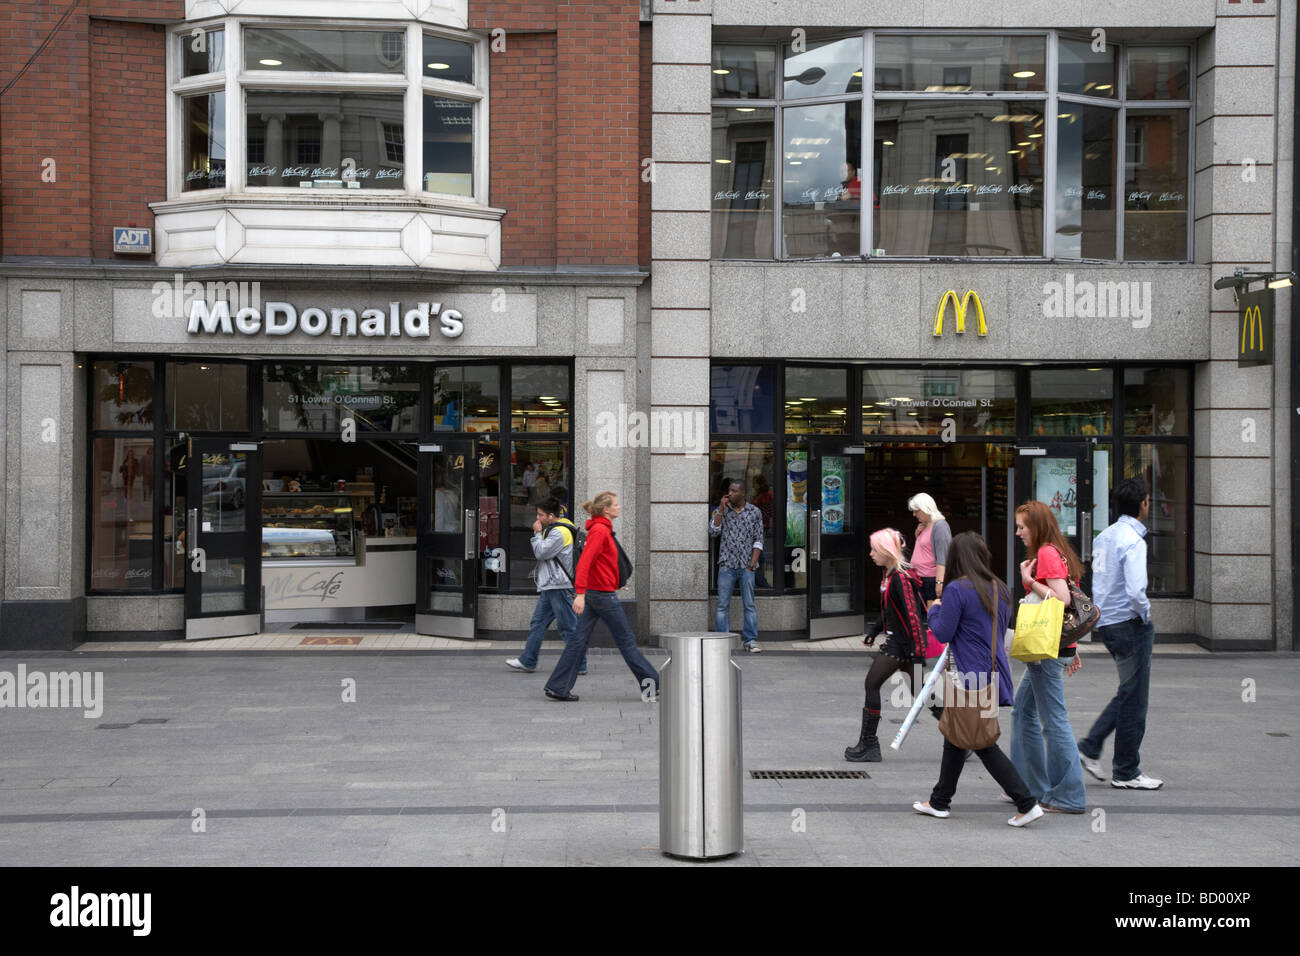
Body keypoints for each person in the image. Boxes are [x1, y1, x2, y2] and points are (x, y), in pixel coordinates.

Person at [912, 532, 1044, 827]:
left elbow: (944, 632)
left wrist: (934, 610)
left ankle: (1027, 802)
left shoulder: (958, 589)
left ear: (956, 559)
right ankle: (939, 801)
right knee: (957, 736)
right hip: (992, 672)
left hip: (967, 675)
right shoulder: (999, 587)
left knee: (982, 742)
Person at [1079, 478, 1163, 790]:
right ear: (1143, 504)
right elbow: (1136, 589)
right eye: (1149, 500)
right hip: (1129, 625)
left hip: (1108, 623)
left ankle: (1090, 746)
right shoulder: (1132, 541)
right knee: (1136, 700)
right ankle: (1127, 770)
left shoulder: (1106, 537)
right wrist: (1145, 615)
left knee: (1129, 691)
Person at [1009, 500, 1088, 814]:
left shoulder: (1046, 552)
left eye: (1022, 527)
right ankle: (1029, 786)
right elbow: (1071, 606)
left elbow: (1063, 598)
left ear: (1037, 527)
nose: (1018, 533)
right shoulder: (1058, 550)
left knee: (1053, 721)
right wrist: (1073, 647)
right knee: (1022, 712)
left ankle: (1068, 795)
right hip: (1054, 649)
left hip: (1047, 653)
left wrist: (1029, 584)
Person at [544, 491, 659, 702]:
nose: (619, 507)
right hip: (602, 597)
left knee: (578, 641)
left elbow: (601, 563)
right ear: (606, 509)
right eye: (615, 504)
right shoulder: (599, 531)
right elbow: (585, 562)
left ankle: (558, 686)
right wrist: (579, 593)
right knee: (627, 642)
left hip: (599, 593)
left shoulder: (601, 529)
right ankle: (653, 684)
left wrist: (611, 581)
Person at [844, 529, 928, 762]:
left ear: (887, 551)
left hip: (902, 646)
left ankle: (869, 745)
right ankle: (963, 738)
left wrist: (917, 652)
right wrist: (873, 630)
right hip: (902, 644)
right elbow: (891, 609)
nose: (870, 554)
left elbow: (913, 615)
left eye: (874, 550)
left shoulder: (901, 578)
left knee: (872, 683)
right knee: (924, 695)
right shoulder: (890, 575)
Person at [506, 496, 588, 677]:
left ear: (551, 516)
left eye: (540, 515)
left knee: (568, 627)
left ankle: (580, 664)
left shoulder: (559, 533)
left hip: (558, 585)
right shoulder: (561, 525)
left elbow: (541, 553)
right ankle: (528, 660)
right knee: (538, 623)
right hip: (551, 585)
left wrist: (536, 534)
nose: (537, 518)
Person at [708, 478, 764, 653]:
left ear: (742, 494)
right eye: (729, 491)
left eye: (733, 491)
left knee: (749, 604)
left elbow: (758, 539)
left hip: (747, 565)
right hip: (727, 565)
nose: (730, 494)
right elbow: (713, 532)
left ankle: (751, 641)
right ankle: (722, 641)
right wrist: (721, 510)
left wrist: (752, 564)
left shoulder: (754, 512)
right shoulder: (722, 511)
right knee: (722, 605)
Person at [908, 492, 951, 602]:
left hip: (930, 580)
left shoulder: (940, 526)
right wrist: (917, 534)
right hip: (919, 578)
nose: (914, 514)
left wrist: (939, 582)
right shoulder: (925, 525)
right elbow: (925, 549)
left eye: (916, 511)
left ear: (925, 508)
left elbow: (943, 558)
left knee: (932, 615)